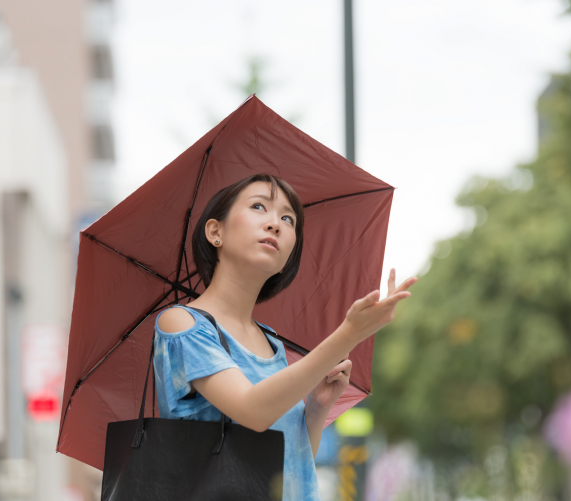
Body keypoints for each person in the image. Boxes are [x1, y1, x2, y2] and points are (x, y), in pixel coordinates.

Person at [153, 173, 417, 501]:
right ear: (215, 231)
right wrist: (348, 334)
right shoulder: (182, 324)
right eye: (259, 206)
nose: (275, 223)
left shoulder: (273, 344)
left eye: (287, 218)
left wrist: (317, 408)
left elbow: (293, 463)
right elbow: (252, 411)